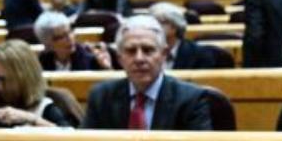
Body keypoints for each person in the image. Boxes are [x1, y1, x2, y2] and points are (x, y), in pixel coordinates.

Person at [82, 15, 213, 130]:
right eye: (131, 51)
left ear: (164, 54)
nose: (139, 59)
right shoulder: (101, 96)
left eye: (148, 50)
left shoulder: (191, 99)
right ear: (119, 58)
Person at [0, 40, 74, 128]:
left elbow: (72, 140)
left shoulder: (47, 108)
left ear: (25, 78)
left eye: (8, 80)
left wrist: (32, 119)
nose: (0, 87)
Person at [34, 10, 113, 71]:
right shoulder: (41, 63)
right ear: (49, 43)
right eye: (62, 36)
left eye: (70, 31)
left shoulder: (91, 58)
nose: (70, 38)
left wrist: (107, 69)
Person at [151, 2, 217, 69]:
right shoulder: (144, 51)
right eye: (152, 22)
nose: (154, 26)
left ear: (175, 27)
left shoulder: (200, 55)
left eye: (161, 22)